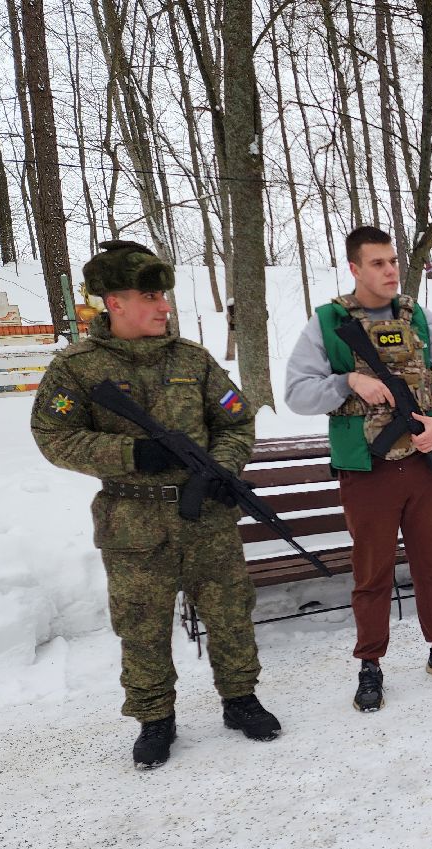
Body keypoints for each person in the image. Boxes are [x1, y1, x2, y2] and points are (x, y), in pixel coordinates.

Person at [30, 240, 281, 769]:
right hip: (132, 520)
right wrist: (128, 452)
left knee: (231, 611)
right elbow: (52, 435)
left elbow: (236, 420)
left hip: (207, 515)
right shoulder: (77, 368)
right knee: (141, 624)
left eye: (164, 295)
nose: (164, 306)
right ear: (113, 303)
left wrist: (224, 468)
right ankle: (154, 718)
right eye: (150, 296)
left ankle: (240, 700)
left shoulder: (193, 359)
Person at [284, 226, 432, 712]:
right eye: (377, 263)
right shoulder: (328, 323)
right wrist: (348, 381)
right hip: (366, 470)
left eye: (392, 261)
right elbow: (296, 393)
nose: (390, 270)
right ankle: (370, 663)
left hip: (425, 465)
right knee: (372, 573)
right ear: (354, 268)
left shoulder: (421, 319)